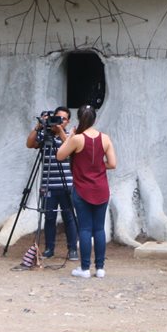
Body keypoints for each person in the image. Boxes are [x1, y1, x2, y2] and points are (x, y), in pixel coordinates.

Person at [57, 104, 116, 278]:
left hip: (82, 189)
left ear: (79, 118)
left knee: (84, 229)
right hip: (101, 189)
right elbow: (112, 164)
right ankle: (100, 268)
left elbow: (60, 155)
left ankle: (84, 269)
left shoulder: (77, 139)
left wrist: (70, 137)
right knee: (99, 229)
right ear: (94, 119)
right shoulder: (105, 138)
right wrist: (98, 166)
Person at [25, 105, 78, 260]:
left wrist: (60, 131)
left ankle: (73, 249)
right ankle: (49, 248)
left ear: (68, 121)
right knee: (49, 217)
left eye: (63, 119)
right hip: (48, 184)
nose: (59, 121)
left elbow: (71, 148)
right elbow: (29, 144)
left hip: (66, 184)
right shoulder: (45, 136)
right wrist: (39, 126)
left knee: (69, 216)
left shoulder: (70, 136)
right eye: (57, 117)